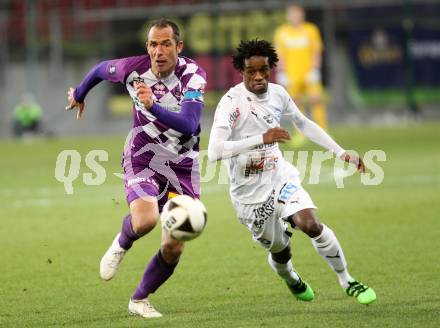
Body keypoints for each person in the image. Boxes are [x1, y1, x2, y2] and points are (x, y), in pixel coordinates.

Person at [208, 39, 376, 305]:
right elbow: (215, 150)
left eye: (264, 69)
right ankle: (291, 279)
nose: (259, 76)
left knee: (310, 224)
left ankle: (347, 280)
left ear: (271, 68)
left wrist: (341, 152)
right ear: (241, 70)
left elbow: (303, 123)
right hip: (249, 197)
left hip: (280, 177)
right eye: (252, 71)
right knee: (281, 252)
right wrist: (262, 138)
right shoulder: (231, 103)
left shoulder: (278, 94)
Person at [65, 19, 206, 318]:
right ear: (147, 47)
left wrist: (152, 105)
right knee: (145, 221)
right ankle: (122, 242)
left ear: (178, 47)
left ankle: (139, 299)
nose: (159, 50)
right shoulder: (132, 68)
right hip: (142, 156)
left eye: (166, 43)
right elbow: (101, 69)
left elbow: (190, 124)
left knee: (175, 246)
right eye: (154, 44)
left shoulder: (193, 75)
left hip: (182, 166)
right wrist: (79, 93)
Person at [274, 3, 327, 146]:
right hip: (292, 74)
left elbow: (317, 51)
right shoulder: (282, 32)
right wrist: (282, 72)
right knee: (295, 105)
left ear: (302, 14)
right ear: (288, 16)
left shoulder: (311, 30)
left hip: (309, 72)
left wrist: (315, 69)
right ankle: (300, 134)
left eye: (297, 13)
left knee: (316, 99)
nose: (295, 17)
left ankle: (322, 132)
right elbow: (280, 54)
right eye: (292, 14)